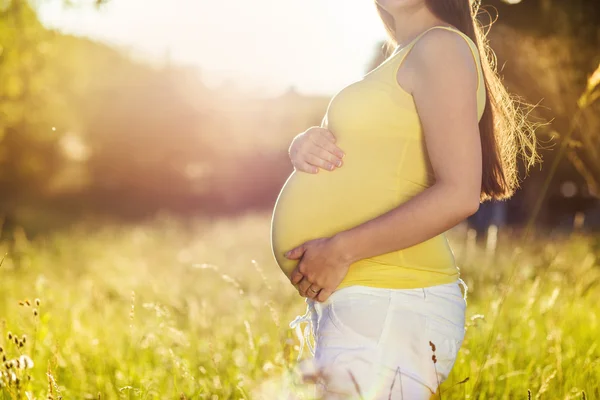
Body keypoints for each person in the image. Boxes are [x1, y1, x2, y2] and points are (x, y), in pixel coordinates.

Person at [269, 0, 538, 398]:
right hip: (373, 301)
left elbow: (460, 195)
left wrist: (340, 250)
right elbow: (375, 158)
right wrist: (304, 145)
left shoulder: (441, 47)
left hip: (393, 299)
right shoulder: (407, 55)